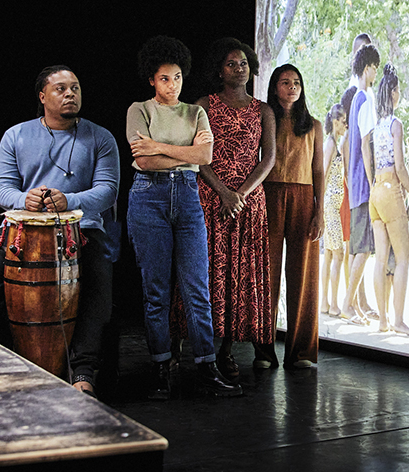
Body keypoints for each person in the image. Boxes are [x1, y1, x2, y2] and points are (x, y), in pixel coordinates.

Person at [0, 65, 119, 399]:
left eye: (75, 88)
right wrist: (25, 200)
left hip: (81, 227)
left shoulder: (101, 137)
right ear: (42, 97)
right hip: (24, 227)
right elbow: (2, 189)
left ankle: (82, 369)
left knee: (98, 279)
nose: (70, 94)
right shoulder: (17, 135)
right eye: (61, 88)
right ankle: (5, 357)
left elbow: (108, 191)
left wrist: (68, 200)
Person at [125, 35, 240, 399]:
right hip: (149, 196)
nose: (171, 85)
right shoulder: (139, 110)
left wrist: (159, 145)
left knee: (197, 288)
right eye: (164, 78)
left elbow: (205, 157)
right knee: (156, 289)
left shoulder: (196, 112)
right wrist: (186, 152)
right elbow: (142, 161)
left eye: (176, 77)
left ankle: (207, 366)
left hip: (188, 198)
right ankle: (162, 367)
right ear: (151, 80)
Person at [195, 37, 277, 373]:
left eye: (243, 63)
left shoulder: (264, 110)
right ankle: (197, 346)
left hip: (248, 201)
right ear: (219, 70)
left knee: (239, 275)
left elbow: (268, 158)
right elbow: (197, 156)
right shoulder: (204, 105)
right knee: (207, 271)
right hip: (210, 197)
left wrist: (240, 193)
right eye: (231, 63)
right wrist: (224, 192)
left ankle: (226, 349)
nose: (239, 69)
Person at [263, 63, 324, 369]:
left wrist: (320, 211)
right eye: (285, 82)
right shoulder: (264, 119)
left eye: (297, 82)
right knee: (266, 274)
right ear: (275, 87)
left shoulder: (313, 125)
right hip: (268, 195)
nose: (292, 87)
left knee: (303, 276)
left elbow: (318, 170)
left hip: (303, 198)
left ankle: (300, 351)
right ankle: (263, 351)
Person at [369, 66, 409, 335]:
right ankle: (398, 320)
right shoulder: (395, 125)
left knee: (380, 260)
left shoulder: (377, 126)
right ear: (393, 93)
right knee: (402, 258)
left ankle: (383, 321)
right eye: (398, 89)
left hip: (375, 193)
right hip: (391, 190)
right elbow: (399, 167)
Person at [341, 43, 382, 325]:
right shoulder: (365, 98)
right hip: (364, 186)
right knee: (364, 248)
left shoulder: (355, 98)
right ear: (368, 68)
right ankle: (347, 305)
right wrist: (372, 181)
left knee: (360, 248)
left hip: (354, 185)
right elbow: (367, 144)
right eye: (375, 69)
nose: (375, 75)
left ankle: (354, 305)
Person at [320, 104, 348, 318]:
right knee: (338, 252)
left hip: (334, 203)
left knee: (330, 254)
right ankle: (333, 303)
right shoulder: (330, 143)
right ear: (335, 121)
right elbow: (323, 173)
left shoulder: (335, 143)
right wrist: (320, 205)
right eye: (343, 121)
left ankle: (326, 302)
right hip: (330, 203)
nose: (345, 124)